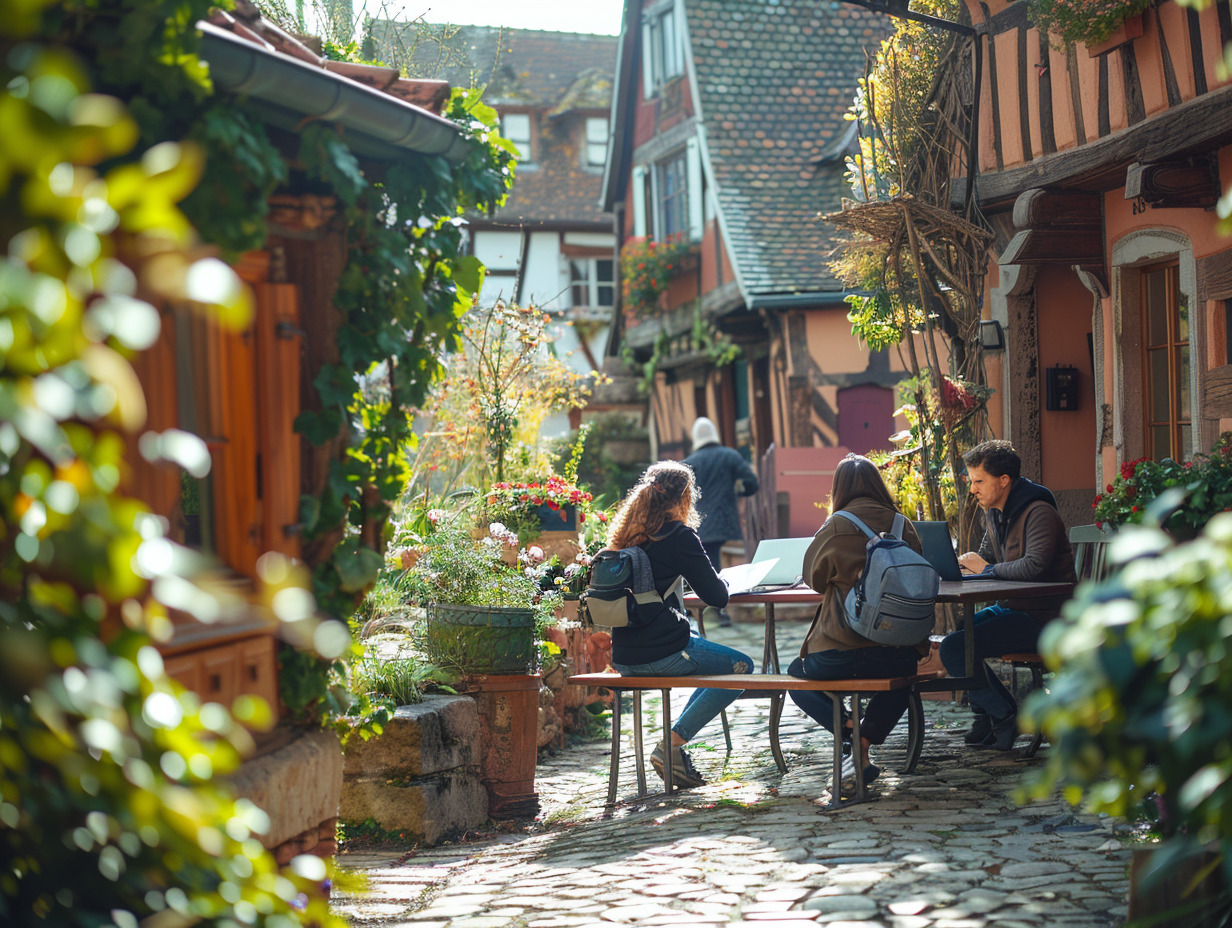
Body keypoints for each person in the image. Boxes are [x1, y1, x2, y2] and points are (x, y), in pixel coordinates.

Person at [606, 460, 753, 788]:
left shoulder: (627, 535)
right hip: (662, 653)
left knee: (707, 654)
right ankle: (670, 746)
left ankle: (673, 748)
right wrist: (727, 581)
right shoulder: (679, 536)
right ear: (685, 497)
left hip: (625, 656)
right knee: (741, 667)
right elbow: (717, 597)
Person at [788, 453, 927, 789]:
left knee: (794, 675)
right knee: (903, 679)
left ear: (839, 489)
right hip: (894, 652)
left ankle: (851, 734)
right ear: (878, 485)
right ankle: (862, 742)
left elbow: (813, 579)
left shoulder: (835, 525)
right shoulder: (901, 524)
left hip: (837, 654)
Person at [940, 439, 1076, 751]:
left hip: (1046, 619)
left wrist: (985, 568)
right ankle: (987, 715)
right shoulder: (995, 514)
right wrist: (960, 567)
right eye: (972, 481)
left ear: (1004, 481)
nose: (973, 489)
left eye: (979, 481)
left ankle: (1003, 714)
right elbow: (988, 561)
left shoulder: (1038, 512)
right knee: (963, 631)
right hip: (1017, 611)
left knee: (955, 647)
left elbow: (1034, 567)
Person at [683, 416, 759, 627]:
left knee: (705, 561)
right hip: (726, 520)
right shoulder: (730, 456)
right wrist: (739, 492)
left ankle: (706, 608)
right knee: (719, 561)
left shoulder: (691, 462)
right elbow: (752, 483)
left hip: (698, 522)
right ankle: (719, 608)